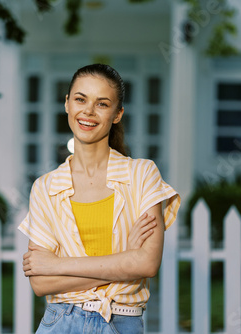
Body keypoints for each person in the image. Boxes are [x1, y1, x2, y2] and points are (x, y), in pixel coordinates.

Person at [18, 63, 180, 334]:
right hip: (60, 323)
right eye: (80, 99)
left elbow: (147, 264)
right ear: (67, 103)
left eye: (102, 104)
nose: (88, 112)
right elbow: (41, 283)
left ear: (117, 114)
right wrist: (124, 260)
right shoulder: (45, 187)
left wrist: (59, 266)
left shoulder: (142, 174)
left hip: (121, 322)